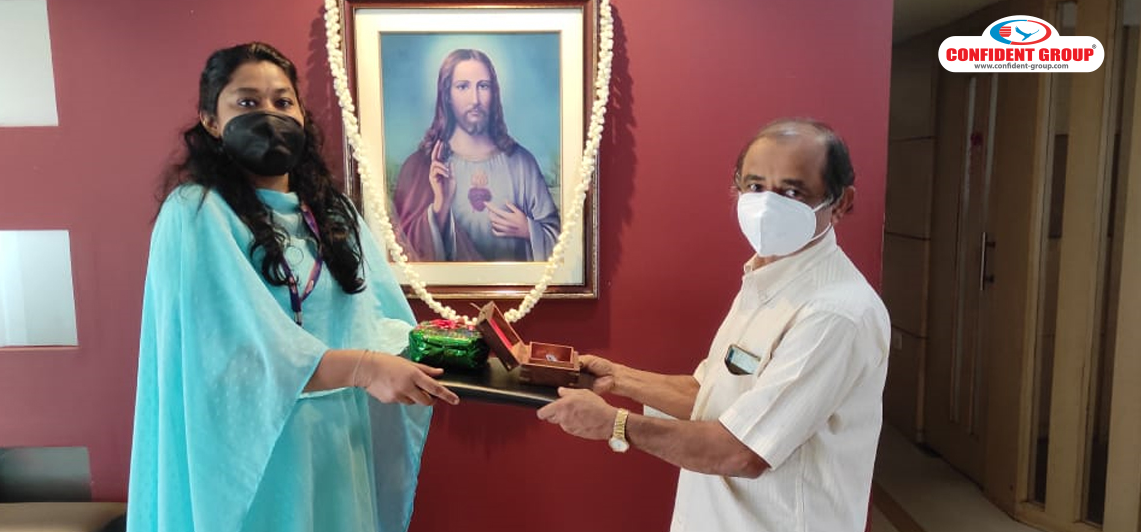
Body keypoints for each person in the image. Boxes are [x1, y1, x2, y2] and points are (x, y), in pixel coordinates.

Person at [127, 42, 459, 532]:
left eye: (283, 102)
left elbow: (378, 323)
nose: (269, 114)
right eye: (247, 102)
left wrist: (463, 351)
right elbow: (232, 352)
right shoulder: (197, 214)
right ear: (211, 121)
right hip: (254, 459)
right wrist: (365, 368)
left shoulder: (333, 213)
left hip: (338, 445)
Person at [537, 119, 890, 532]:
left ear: (841, 202)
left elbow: (743, 451)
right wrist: (618, 378)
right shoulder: (766, 278)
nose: (767, 206)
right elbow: (710, 395)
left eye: (792, 192)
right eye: (755, 186)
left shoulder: (835, 314)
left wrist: (615, 424)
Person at [393, 48, 561, 262]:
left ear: (494, 93)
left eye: (483, 86)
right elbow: (399, 250)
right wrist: (439, 208)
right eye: (462, 86)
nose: (475, 99)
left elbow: (561, 241)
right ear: (447, 95)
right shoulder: (420, 166)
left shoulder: (521, 163)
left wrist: (529, 230)